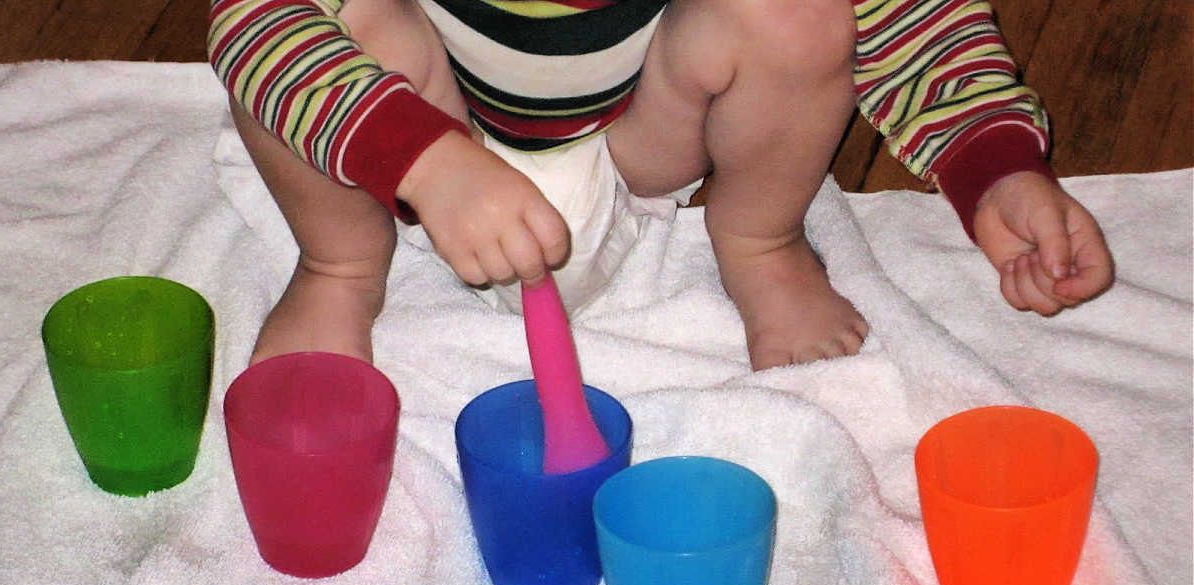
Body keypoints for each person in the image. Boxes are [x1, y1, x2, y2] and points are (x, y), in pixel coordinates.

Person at [207, 0, 1114, 370]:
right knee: (305, 44)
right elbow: (253, 22)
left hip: (636, 139)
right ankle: (340, 268)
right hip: (425, 122)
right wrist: (422, 157)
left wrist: (994, 166)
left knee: (794, 15)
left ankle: (760, 239)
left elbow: (909, 16)